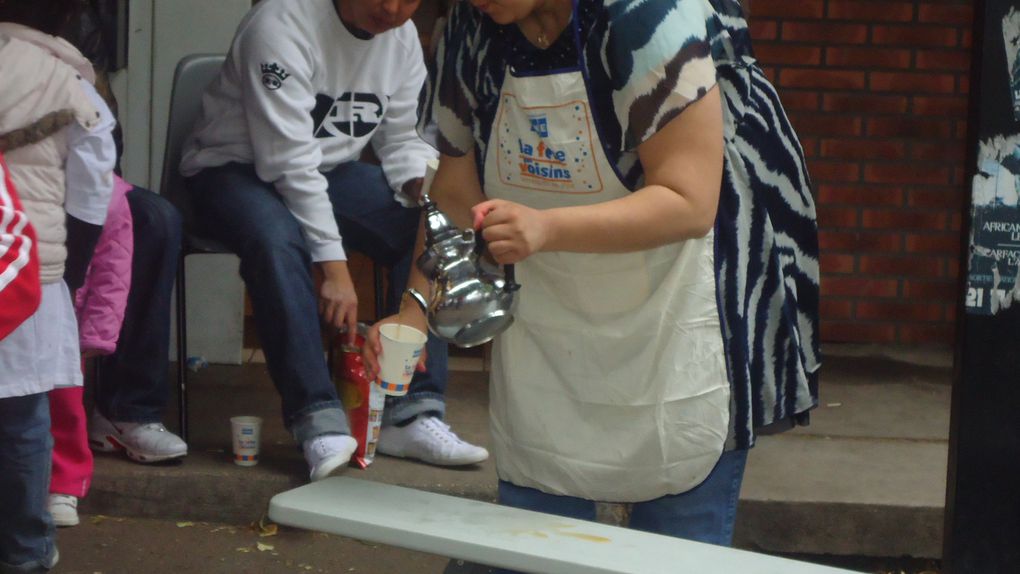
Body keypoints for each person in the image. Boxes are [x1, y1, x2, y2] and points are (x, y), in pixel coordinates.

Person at [365, 0, 820, 551]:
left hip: (683, 293)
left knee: (672, 553)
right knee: (535, 541)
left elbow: (688, 201)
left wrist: (547, 229)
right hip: (549, 312)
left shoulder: (647, 17)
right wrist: (412, 313)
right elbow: (454, 195)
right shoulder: (471, 27)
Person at [180, 0, 488, 482]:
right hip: (232, 169)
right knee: (278, 239)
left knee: (427, 227)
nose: (392, 8)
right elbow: (288, 163)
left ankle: (412, 412)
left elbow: (401, 139)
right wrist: (335, 267)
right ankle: (316, 419)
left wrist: (420, 191)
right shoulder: (280, 24)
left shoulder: (402, 38)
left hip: (330, 170)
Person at [0, 0, 114, 566]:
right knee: (22, 420)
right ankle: (25, 550)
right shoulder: (73, 89)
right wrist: (68, 274)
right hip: (23, 274)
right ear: (69, 17)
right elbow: (93, 196)